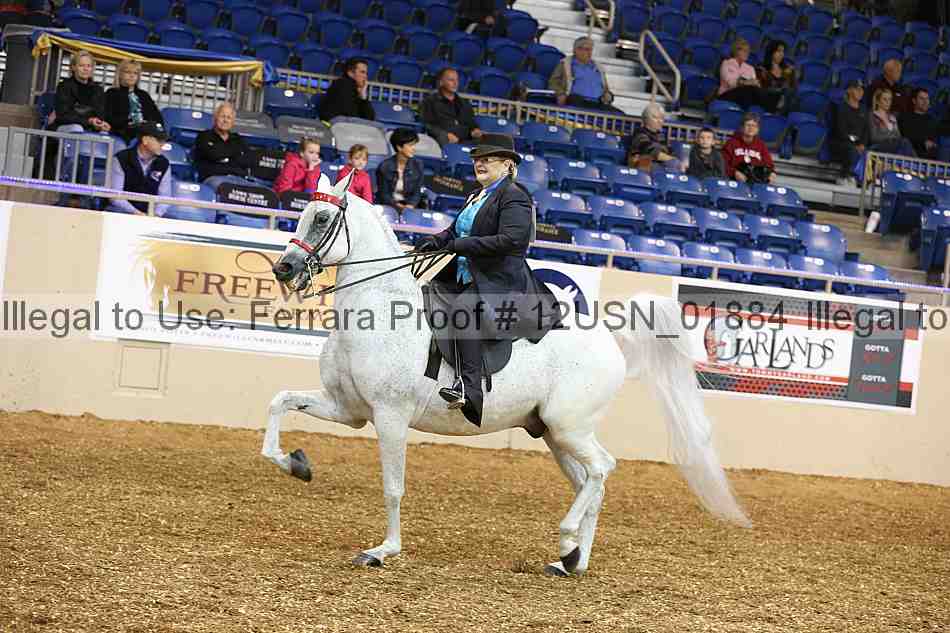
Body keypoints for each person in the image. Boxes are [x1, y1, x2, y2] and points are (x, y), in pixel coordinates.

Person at [412, 133, 563, 426]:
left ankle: (469, 389)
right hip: (465, 275)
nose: (479, 164)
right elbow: (456, 231)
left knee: (463, 311)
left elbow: (511, 240)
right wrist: (437, 240)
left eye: (487, 159)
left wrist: (461, 245)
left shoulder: (515, 196)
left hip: (499, 280)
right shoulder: (476, 195)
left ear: (507, 165)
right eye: (477, 160)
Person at [107, 121, 171, 216]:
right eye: (159, 140)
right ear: (145, 140)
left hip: (150, 214)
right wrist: (136, 213)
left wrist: (156, 214)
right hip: (122, 212)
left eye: (164, 141)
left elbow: (165, 197)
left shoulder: (164, 163)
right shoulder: (122, 158)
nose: (163, 144)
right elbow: (115, 196)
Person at [548, 36, 623, 114]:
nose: (588, 52)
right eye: (584, 49)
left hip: (598, 103)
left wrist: (608, 95)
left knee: (620, 115)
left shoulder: (598, 66)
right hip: (577, 101)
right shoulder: (565, 63)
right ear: (575, 50)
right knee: (577, 102)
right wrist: (560, 93)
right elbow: (553, 82)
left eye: (589, 49)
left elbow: (606, 88)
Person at [103, 59, 164, 143]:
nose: (132, 76)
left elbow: (157, 118)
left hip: (146, 132)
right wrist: (130, 122)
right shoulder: (111, 93)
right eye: (128, 72)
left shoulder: (144, 95)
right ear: (120, 74)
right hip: (123, 133)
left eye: (135, 73)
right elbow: (108, 117)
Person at [193, 102, 257, 183]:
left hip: (238, 178)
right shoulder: (204, 136)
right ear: (215, 118)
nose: (225, 120)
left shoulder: (238, 139)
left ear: (233, 122)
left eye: (229, 118)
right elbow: (214, 155)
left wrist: (224, 157)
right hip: (214, 178)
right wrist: (234, 156)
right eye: (222, 116)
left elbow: (249, 160)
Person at [420, 68, 484, 147]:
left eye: (457, 80)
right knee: (443, 138)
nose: (455, 83)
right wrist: (446, 134)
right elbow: (427, 125)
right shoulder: (430, 102)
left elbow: (472, 123)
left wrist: (475, 130)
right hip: (443, 139)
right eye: (451, 80)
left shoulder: (465, 103)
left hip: (465, 139)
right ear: (441, 82)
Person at [52, 49, 109, 134]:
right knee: (77, 128)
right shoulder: (64, 86)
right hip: (66, 126)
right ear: (73, 67)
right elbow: (62, 116)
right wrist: (89, 121)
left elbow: (100, 114)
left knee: (105, 134)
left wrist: (100, 123)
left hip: (90, 127)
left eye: (89, 66)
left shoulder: (98, 90)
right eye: (81, 65)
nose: (85, 69)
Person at [717, 38, 781, 113]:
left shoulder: (750, 68)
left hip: (746, 95)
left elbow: (756, 85)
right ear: (736, 51)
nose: (747, 53)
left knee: (768, 94)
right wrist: (747, 82)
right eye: (744, 51)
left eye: (748, 52)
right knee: (748, 90)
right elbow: (731, 83)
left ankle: (770, 113)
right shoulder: (727, 63)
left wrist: (755, 84)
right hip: (727, 94)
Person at [829, 80, 871, 187]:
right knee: (851, 149)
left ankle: (863, 179)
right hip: (841, 142)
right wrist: (856, 143)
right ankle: (844, 176)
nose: (860, 92)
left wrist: (862, 144)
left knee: (868, 152)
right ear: (849, 90)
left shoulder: (864, 109)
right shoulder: (841, 108)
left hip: (858, 144)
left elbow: (866, 130)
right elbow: (841, 131)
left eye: (862, 89)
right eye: (857, 89)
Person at [376, 128, 425, 211]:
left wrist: (411, 205)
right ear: (399, 147)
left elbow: (417, 192)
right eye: (410, 145)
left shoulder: (418, 165)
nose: (414, 148)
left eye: (414, 145)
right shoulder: (385, 166)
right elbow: (384, 195)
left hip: (410, 207)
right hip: (389, 206)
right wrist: (398, 207)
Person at [628, 103, 684, 172]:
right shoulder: (639, 132)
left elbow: (670, 151)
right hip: (642, 165)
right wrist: (672, 160)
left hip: (660, 164)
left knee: (675, 164)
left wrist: (675, 161)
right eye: (656, 118)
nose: (660, 121)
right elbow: (651, 151)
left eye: (662, 118)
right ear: (646, 119)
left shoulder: (661, 135)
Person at [722, 112, 777, 184]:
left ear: (757, 130)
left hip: (757, 182)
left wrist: (772, 173)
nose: (751, 128)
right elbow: (723, 164)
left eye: (754, 126)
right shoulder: (731, 143)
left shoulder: (761, 145)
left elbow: (769, 165)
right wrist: (734, 173)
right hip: (733, 181)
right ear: (742, 127)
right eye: (748, 125)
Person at [318, 58, 375, 122]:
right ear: (350, 73)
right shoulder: (342, 84)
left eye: (366, 73)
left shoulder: (358, 90)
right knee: (379, 126)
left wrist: (363, 97)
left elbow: (370, 118)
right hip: (337, 121)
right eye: (362, 72)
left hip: (348, 122)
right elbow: (348, 113)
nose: (365, 76)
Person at [868, 88, 916, 157]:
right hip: (878, 147)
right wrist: (891, 138)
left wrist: (893, 139)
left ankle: (913, 161)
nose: (888, 102)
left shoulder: (892, 117)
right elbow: (874, 137)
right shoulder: (872, 115)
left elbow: (898, 136)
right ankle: (916, 161)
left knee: (904, 144)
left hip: (893, 146)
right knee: (904, 142)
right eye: (885, 99)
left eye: (890, 99)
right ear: (877, 101)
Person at [756, 40, 798, 115]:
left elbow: (793, 88)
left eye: (783, 51)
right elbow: (764, 87)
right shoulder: (762, 68)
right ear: (771, 52)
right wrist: (784, 76)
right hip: (767, 100)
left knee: (790, 94)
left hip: (784, 104)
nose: (782, 54)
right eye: (778, 51)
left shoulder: (788, 69)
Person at [898, 88, 940, 160]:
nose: (925, 102)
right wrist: (923, 142)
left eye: (927, 99)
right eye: (921, 98)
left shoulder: (932, 120)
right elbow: (906, 137)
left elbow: (934, 140)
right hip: (910, 155)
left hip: (929, 157)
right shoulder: (905, 117)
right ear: (914, 101)